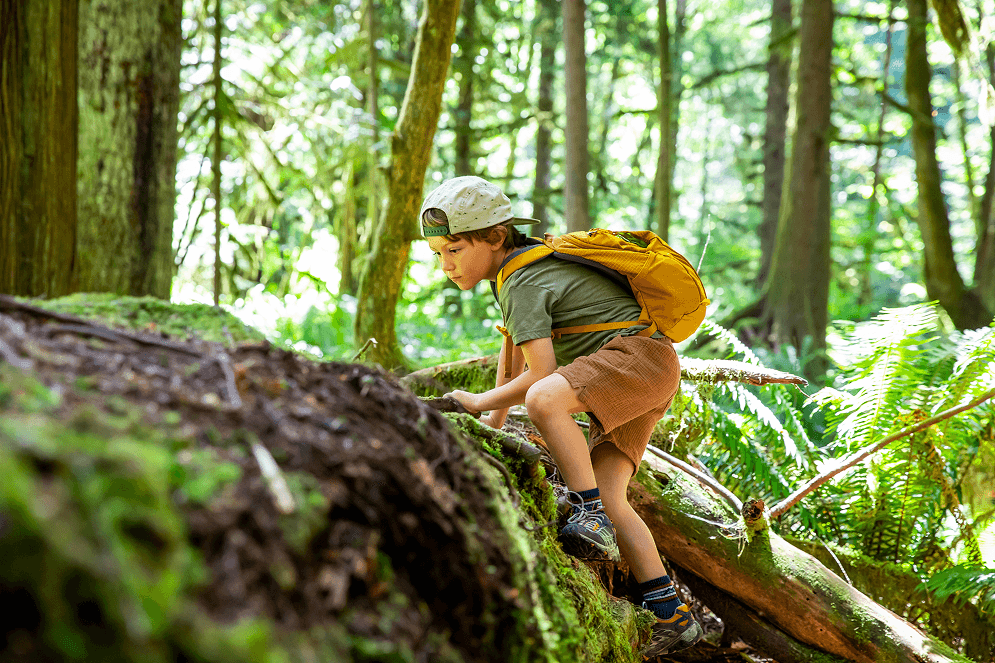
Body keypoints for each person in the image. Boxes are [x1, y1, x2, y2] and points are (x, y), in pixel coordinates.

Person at [419, 175, 703, 656]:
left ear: (494, 238)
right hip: (654, 366)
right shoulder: (519, 272)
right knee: (614, 494)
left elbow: (540, 378)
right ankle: (673, 615)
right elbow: (511, 365)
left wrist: (470, 405)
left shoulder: (523, 279)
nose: (446, 265)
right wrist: (488, 429)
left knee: (546, 401)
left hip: (635, 361)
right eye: (438, 254)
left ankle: (588, 514)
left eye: (455, 250)